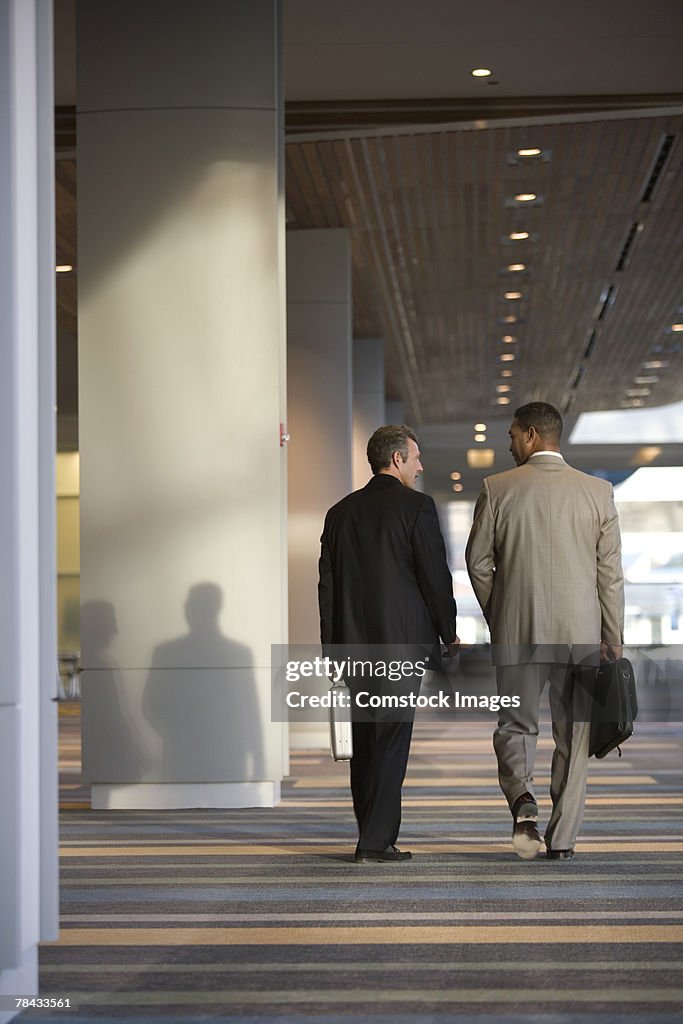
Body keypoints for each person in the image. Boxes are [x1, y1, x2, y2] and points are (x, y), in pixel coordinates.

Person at [465, 402, 624, 860]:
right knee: (574, 735)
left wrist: (504, 613)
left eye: (513, 434)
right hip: (581, 635)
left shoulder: (497, 488)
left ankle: (522, 800)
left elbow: (478, 564)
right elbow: (608, 574)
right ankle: (564, 840)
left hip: (519, 632)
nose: (509, 442)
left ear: (532, 435)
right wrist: (612, 635)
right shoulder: (598, 492)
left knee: (515, 725)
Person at [319, 425, 459, 863]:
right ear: (396, 459)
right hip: (400, 648)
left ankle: (372, 832)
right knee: (391, 740)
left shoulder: (339, 513)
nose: (419, 467)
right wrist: (448, 629)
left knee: (364, 741)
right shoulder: (417, 507)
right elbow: (434, 577)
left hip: (352, 647)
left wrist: (331, 649)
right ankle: (375, 841)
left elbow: (326, 587)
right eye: (415, 458)